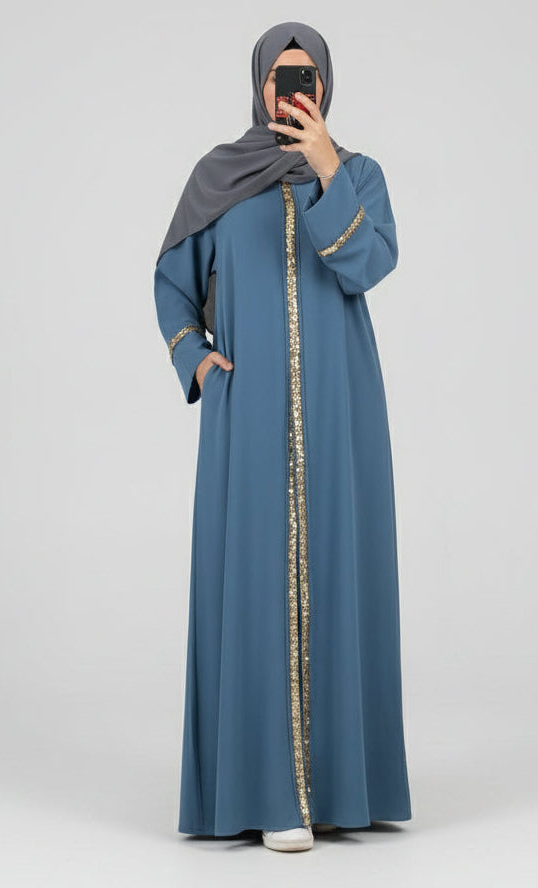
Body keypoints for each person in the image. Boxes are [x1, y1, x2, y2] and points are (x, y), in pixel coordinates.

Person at [153, 21, 412, 853]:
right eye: (280, 77)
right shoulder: (218, 178)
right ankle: (269, 795)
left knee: (338, 571)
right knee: (256, 581)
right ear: (259, 83)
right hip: (249, 409)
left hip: (341, 409)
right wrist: (195, 360)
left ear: (325, 86)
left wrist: (329, 168)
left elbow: (369, 264)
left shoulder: (358, 173)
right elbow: (171, 279)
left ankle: (336, 790)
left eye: (308, 77)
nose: (293, 90)